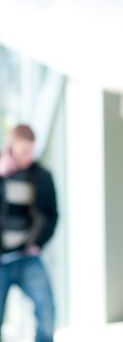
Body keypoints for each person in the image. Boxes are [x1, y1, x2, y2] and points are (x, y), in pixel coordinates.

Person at [0, 124, 58, 342]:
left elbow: (52, 215)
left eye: (30, 151)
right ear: (10, 148)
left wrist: (39, 242)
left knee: (46, 312)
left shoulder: (42, 176)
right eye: (23, 151)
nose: (28, 157)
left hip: (27, 257)